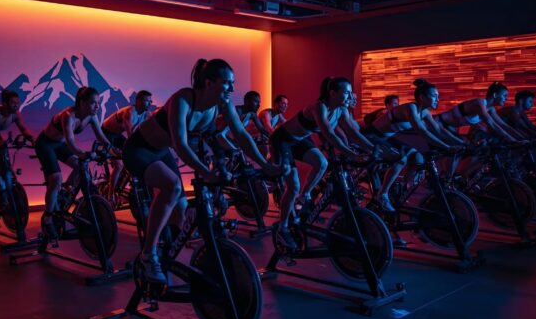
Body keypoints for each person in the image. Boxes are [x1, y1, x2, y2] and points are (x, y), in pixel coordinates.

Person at [121, 59, 283, 283]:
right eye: (227, 82)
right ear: (209, 83)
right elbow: (180, 144)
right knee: (172, 187)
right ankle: (148, 255)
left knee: (181, 207)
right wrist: (206, 172)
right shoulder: (183, 99)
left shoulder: (222, 104)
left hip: (161, 152)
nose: (232, 88)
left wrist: (265, 165)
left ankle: (167, 250)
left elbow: (241, 135)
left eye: (233, 83)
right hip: (139, 149)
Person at [269, 77, 374, 249]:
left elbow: (352, 132)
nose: (350, 96)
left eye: (350, 93)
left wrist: (374, 149)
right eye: (346, 93)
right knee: (293, 186)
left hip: (300, 140)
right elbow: (328, 133)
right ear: (333, 93)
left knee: (322, 163)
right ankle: (283, 228)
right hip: (282, 140)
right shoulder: (319, 107)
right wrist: (351, 154)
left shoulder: (341, 110)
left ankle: (304, 196)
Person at [364, 79, 463, 212]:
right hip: (373, 136)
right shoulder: (411, 108)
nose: (438, 99)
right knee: (401, 159)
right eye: (434, 96)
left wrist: (461, 142)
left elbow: (439, 130)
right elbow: (422, 131)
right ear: (422, 97)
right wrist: (447, 147)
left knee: (418, 158)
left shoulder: (425, 112)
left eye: (438, 96)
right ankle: (382, 194)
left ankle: (403, 188)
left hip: (388, 138)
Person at [35, 87, 114, 239]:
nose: (97, 106)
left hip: (59, 144)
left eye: (98, 103)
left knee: (81, 166)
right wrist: (84, 154)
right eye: (93, 103)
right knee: (56, 179)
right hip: (45, 144)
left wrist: (112, 151)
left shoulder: (92, 116)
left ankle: (64, 192)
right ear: (82, 102)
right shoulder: (68, 116)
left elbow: (101, 136)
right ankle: (48, 218)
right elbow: (71, 141)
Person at [100, 90, 153, 203]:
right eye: (147, 101)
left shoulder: (147, 114)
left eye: (150, 101)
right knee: (119, 164)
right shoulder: (130, 112)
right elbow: (131, 136)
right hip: (106, 134)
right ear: (138, 101)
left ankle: (120, 185)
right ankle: (110, 195)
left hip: (117, 135)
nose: (149, 103)